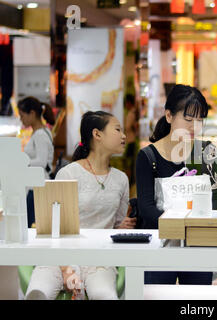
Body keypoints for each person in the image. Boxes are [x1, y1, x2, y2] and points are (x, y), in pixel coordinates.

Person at [25, 111, 136, 300]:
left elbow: (115, 225)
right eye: (118, 130)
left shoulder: (121, 179)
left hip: (100, 260)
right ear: (97, 134)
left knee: (105, 296)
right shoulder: (69, 174)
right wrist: (67, 269)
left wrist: (125, 225)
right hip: (58, 257)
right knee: (37, 293)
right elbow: (53, 229)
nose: (124, 136)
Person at [136, 84, 215, 285]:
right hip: (160, 245)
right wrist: (180, 227)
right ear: (169, 116)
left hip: (197, 245)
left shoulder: (207, 152)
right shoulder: (148, 156)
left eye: (200, 120)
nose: (194, 126)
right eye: (188, 119)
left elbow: (215, 200)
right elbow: (146, 208)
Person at [18, 97, 55, 228]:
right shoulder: (42, 132)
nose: (21, 119)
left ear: (32, 113)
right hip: (36, 184)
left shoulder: (40, 134)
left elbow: (41, 161)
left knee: (32, 226)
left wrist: (21, 162)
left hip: (37, 186)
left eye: (22, 115)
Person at [124, 94, 139, 186]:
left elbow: (127, 127)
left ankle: (129, 181)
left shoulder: (131, 114)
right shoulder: (134, 113)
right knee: (131, 162)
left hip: (130, 140)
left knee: (129, 162)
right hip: (132, 140)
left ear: (128, 103)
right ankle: (131, 180)